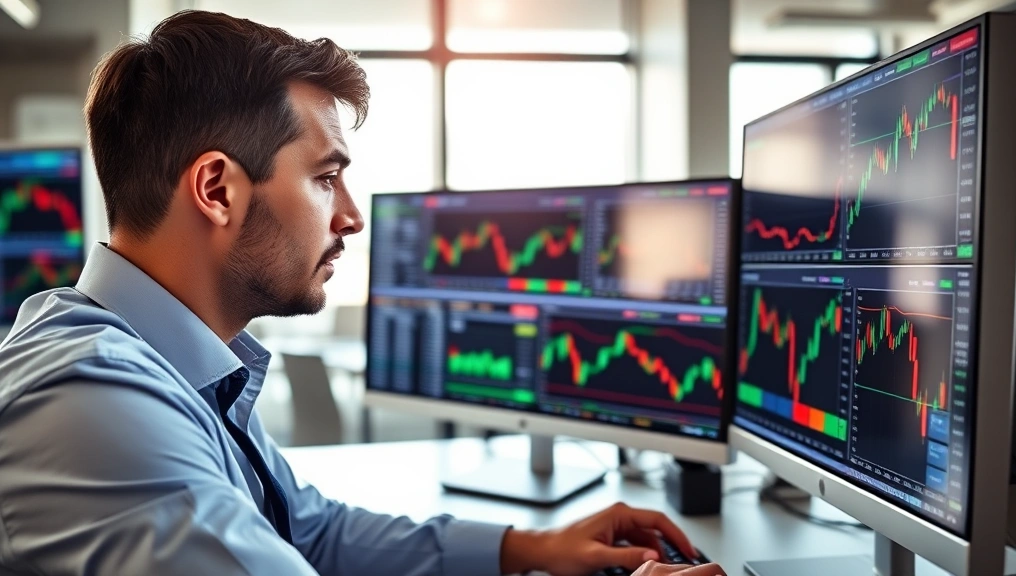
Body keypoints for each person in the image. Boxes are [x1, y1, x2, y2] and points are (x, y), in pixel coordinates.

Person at [0, 10, 726, 576]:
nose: (350, 215)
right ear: (217, 189)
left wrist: (528, 549)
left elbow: (310, 529)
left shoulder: (172, 362)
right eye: (325, 177)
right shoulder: (89, 401)